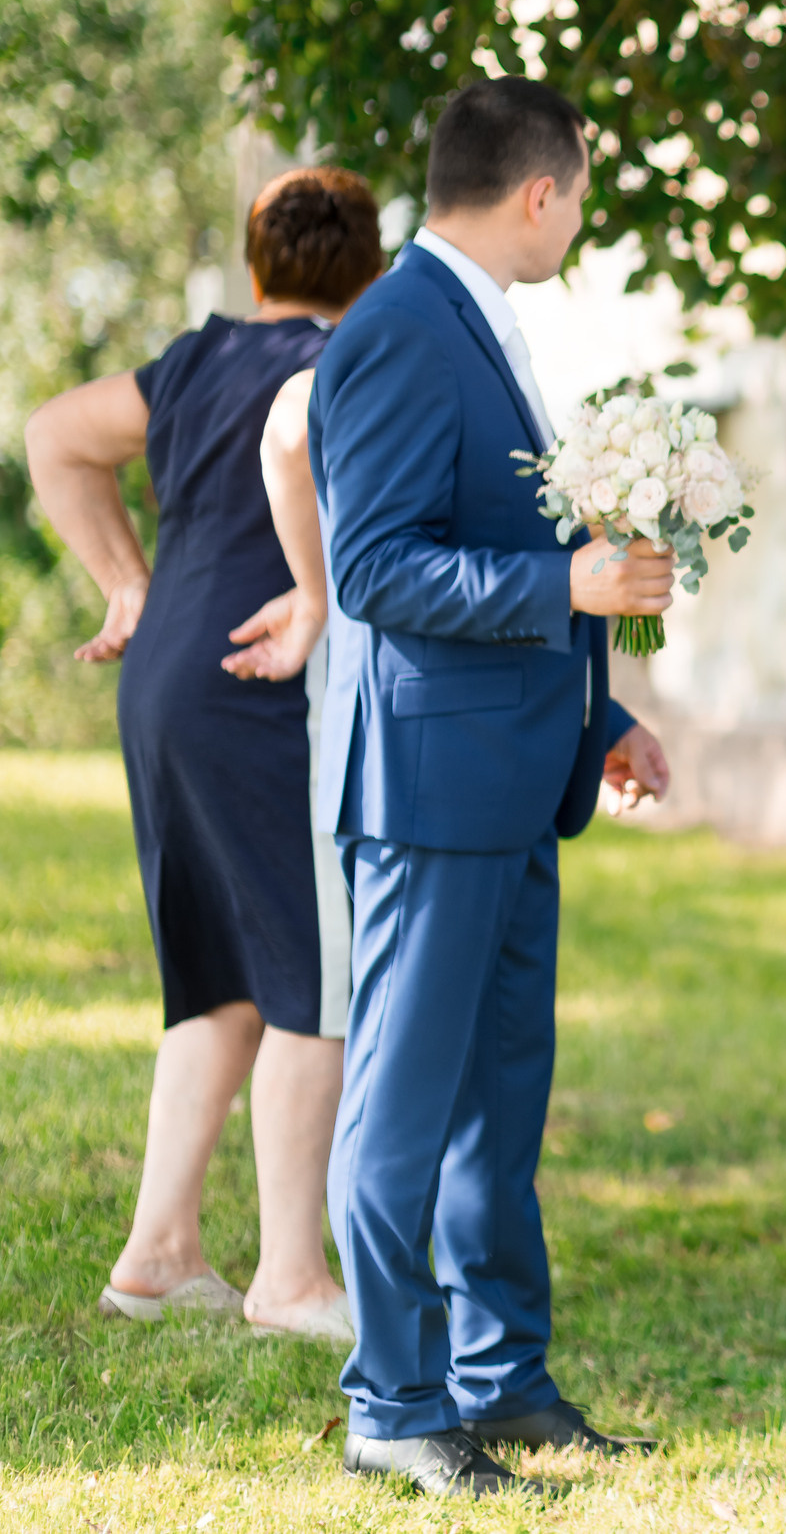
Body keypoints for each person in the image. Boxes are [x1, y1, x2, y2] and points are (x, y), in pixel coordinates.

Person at [309, 76, 676, 1499]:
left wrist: (606, 711)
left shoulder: (483, 321)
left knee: (499, 1103)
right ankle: (393, 1404)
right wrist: (566, 579)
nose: (579, 219)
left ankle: (500, 1377)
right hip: (429, 785)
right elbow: (377, 569)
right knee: (405, 1104)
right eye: (579, 194)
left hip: (522, 773)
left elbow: (490, 543)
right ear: (539, 193)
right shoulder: (402, 330)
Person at [26, 168, 381, 1346]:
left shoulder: (192, 358)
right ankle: (289, 1276)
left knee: (218, 978)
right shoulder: (349, 361)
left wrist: (127, 578)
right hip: (258, 678)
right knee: (315, 978)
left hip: (163, 674)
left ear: (256, 262)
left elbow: (54, 435)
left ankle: (159, 1250)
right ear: (370, 270)